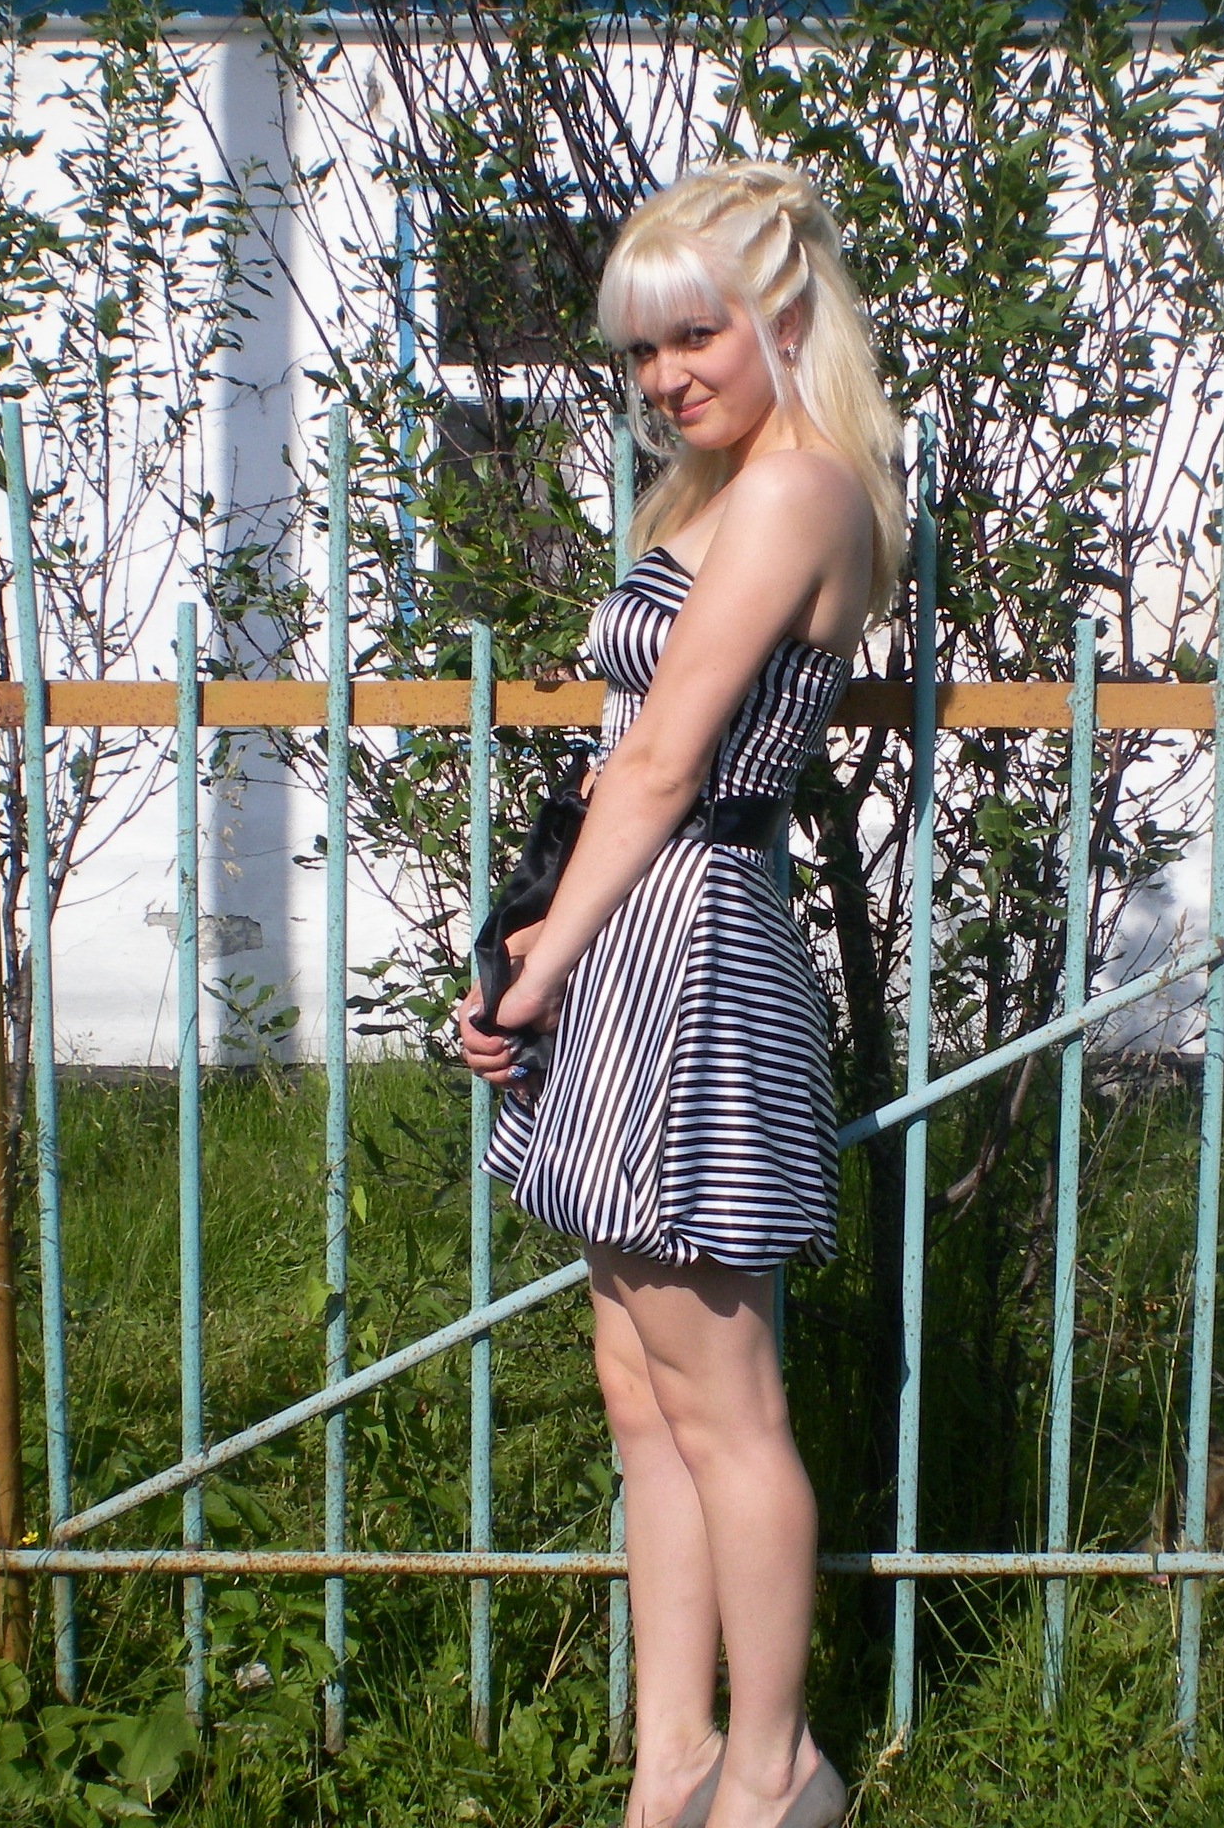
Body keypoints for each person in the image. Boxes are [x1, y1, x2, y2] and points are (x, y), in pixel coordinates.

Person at [458, 160, 904, 1828]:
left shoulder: (799, 491)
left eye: (693, 336)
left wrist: (531, 979)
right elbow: (622, 769)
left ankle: (776, 1774)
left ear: (784, 313)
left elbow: (659, 766)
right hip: (632, 932)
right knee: (640, 1393)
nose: (663, 377)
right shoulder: (719, 490)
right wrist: (548, 952)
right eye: (641, 351)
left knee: (726, 1407)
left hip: (693, 944)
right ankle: (672, 1772)